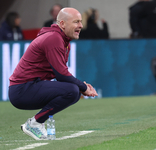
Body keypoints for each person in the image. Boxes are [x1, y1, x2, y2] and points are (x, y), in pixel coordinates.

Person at [8, 7, 98, 140]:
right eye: (76, 22)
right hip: (22, 90)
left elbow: (60, 74)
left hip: (27, 87)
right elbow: (61, 75)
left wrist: (80, 87)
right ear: (62, 24)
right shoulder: (54, 38)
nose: (81, 25)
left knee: (74, 91)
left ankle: (36, 122)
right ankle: (35, 123)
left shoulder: (62, 40)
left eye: (80, 21)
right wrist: (83, 87)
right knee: (72, 91)